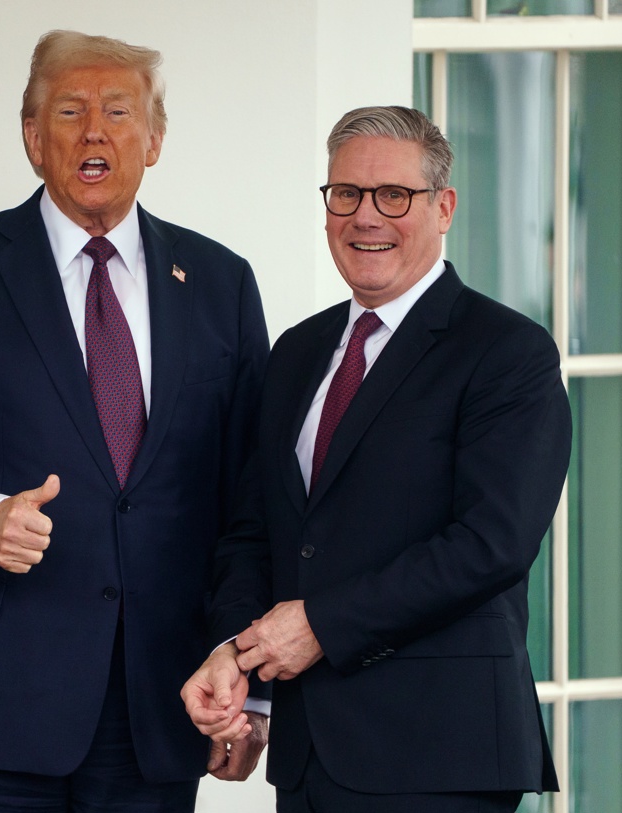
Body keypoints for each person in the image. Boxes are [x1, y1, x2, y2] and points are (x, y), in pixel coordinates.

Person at [0, 29, 271, 812]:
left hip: (154, 702)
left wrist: (241, 668)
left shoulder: (220, 282)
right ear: (32, 136)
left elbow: (248, 499)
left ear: (156, 139)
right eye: (70, 111)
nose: (94, 132)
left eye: (118, 111)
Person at [181, 105, 571, 813]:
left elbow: (491, 545)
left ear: (444, 206)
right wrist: (239, 665)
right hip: (308, 757)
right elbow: (255, 533)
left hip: (438, 755)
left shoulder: (506, 352)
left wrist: (322, 625)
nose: (366, 216)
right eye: (346, 194)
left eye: (394, 195)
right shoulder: (297, 353)